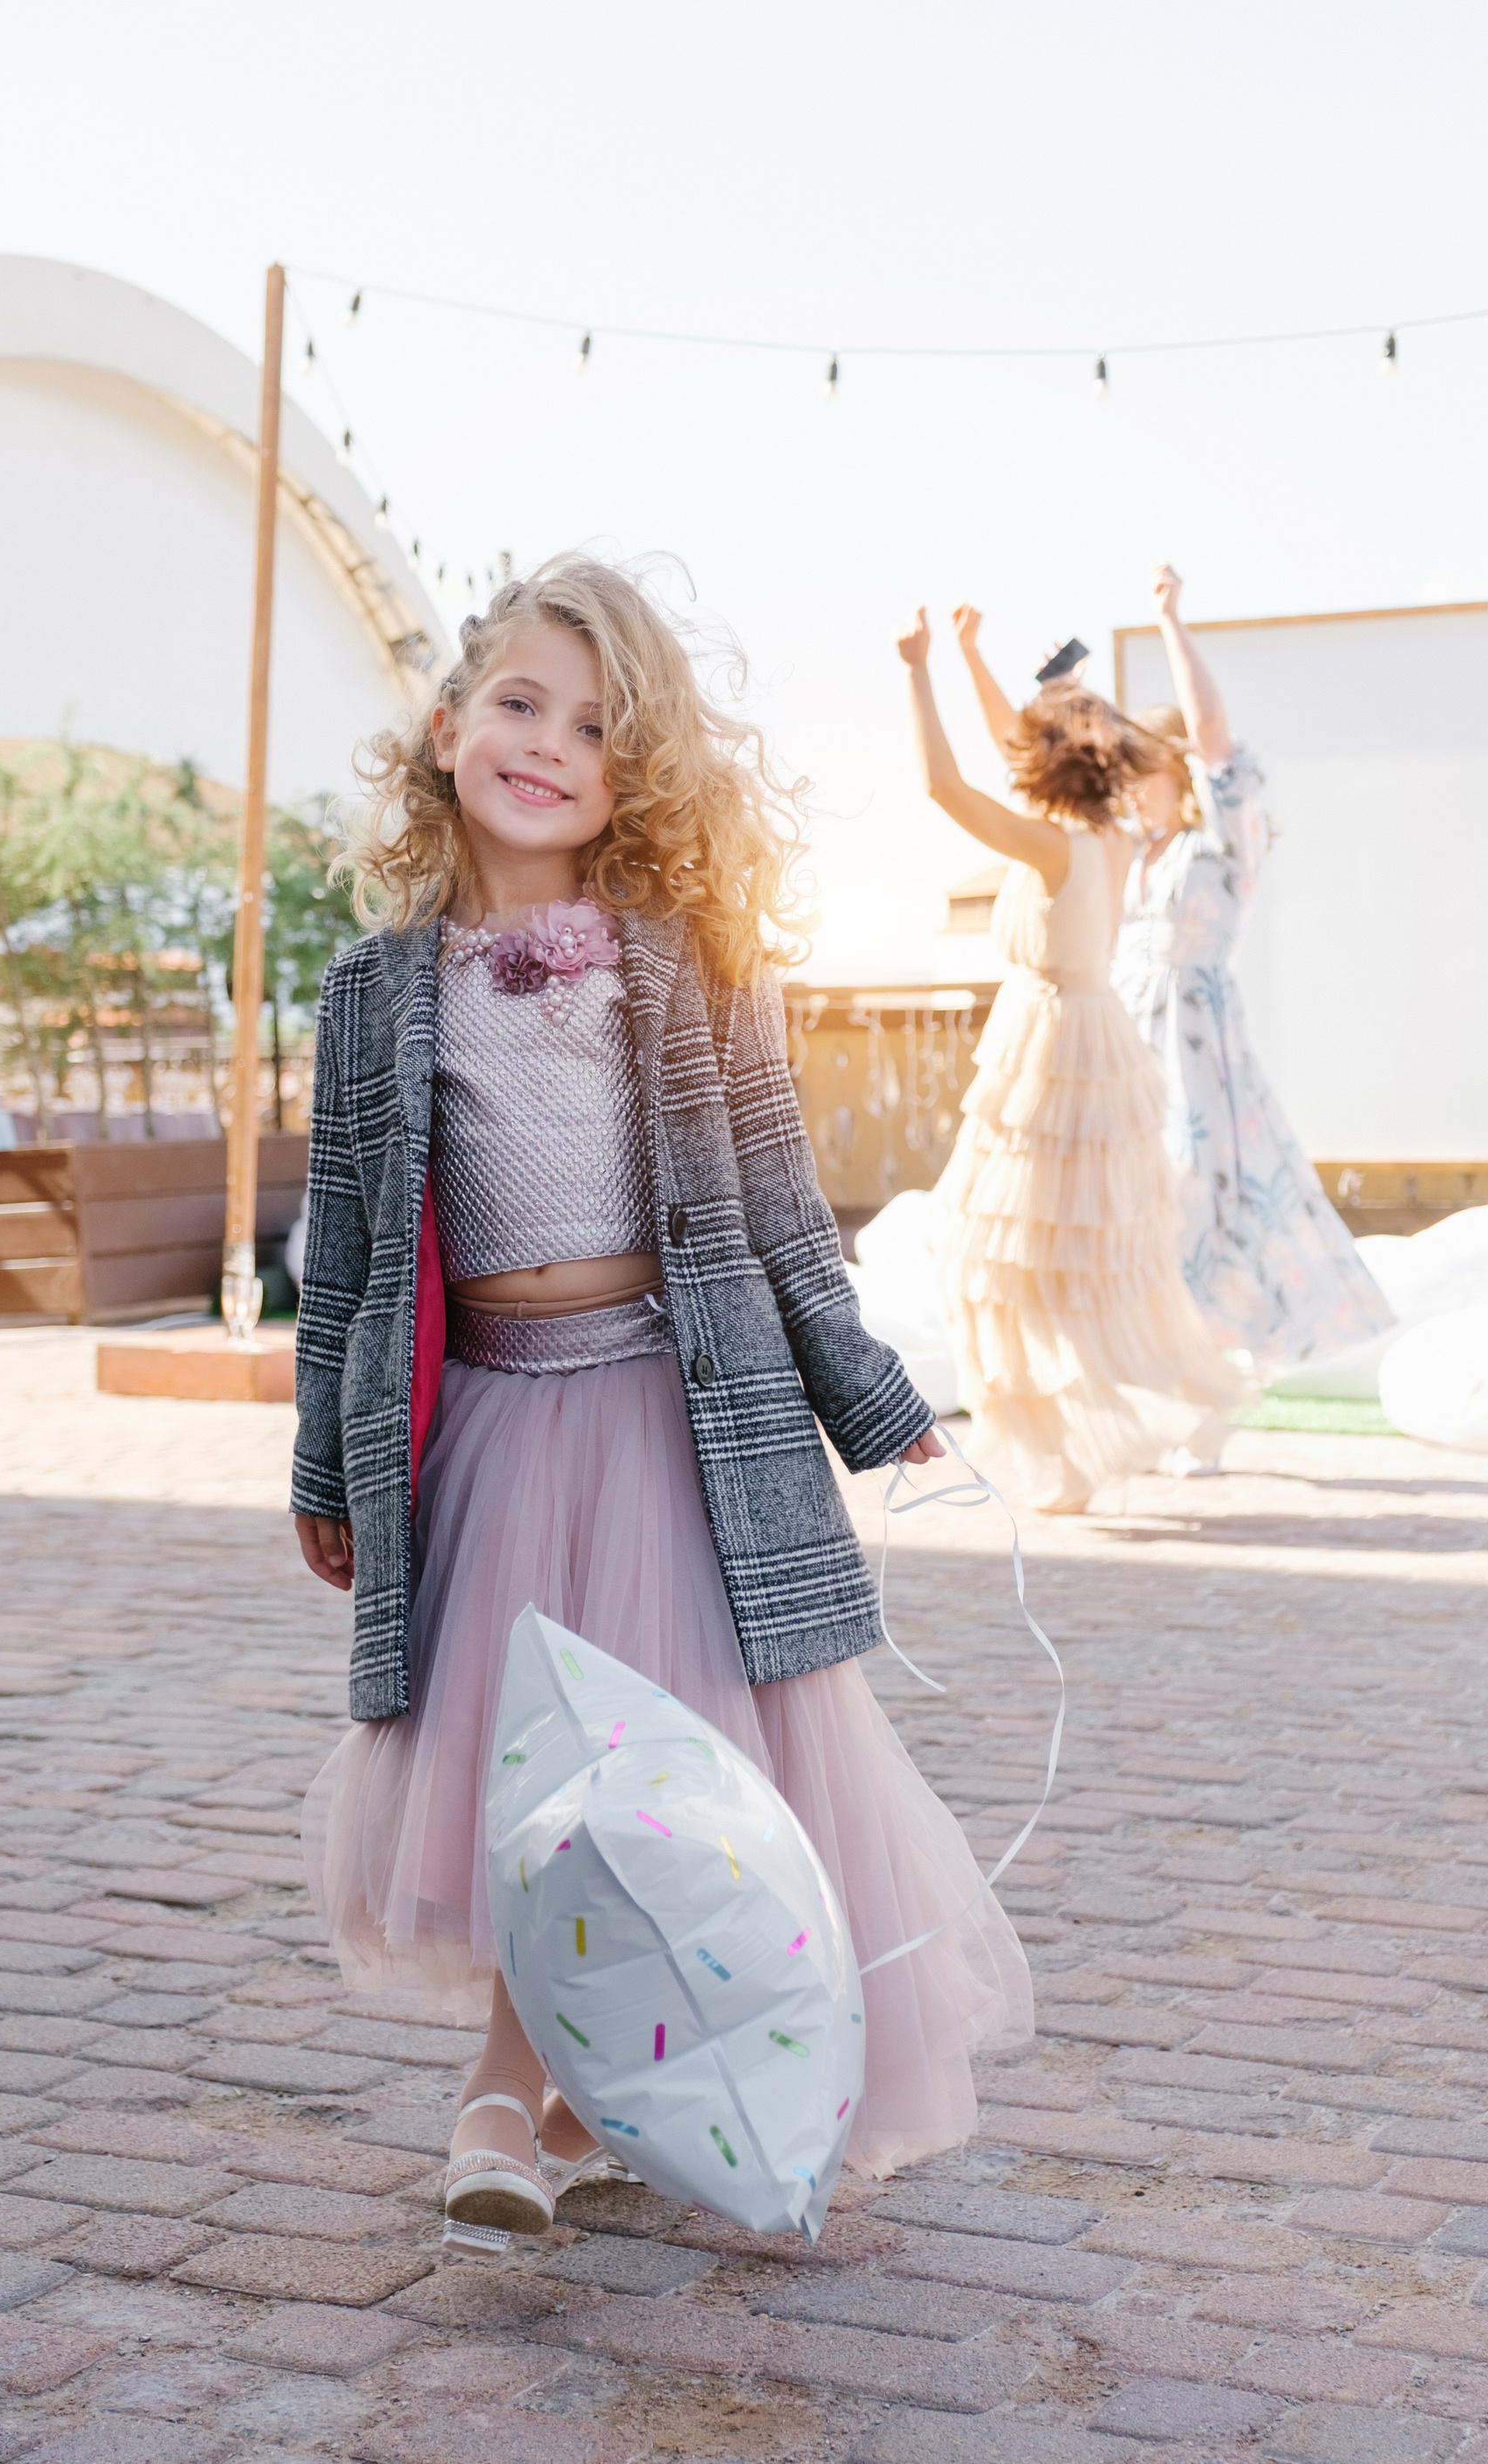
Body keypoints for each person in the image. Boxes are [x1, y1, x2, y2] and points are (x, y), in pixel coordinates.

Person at [292, 557, 1033, 2239]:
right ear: (447, 726)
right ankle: (542, 2087)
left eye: (595, 729)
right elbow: (346, 1255)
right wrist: (327, 1467)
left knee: (650, 1782)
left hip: (665, 1427)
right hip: (492, 1431)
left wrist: (870, 1397)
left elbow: (780, 1209)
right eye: (521, 704)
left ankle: (525, 2095)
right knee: (528, 1781)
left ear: (637, 779)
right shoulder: (374, 990)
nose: (548, 746)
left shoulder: (691, 964)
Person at [954, 576, 1393, 1376]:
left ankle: (1206, 1364)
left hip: (1196, 1051)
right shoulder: (1118, 842)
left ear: (1170, 767)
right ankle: (1139, 1359)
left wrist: (1169, 621)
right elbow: (1025, 755)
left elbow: (1215, 735)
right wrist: (998, 669)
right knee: (1113, 1207)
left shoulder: (1220, 845)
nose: (1125, 777)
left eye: (1140, 763)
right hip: (1116, 1036)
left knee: (1194, 1197)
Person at [899, 603, 1245, 1513]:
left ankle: (1070, 1456)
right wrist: (971, 655)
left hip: (1052, 1046)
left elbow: (944, 786)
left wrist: (918, 670)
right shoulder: (1105, 835)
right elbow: (1011, 744)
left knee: (1019, 1261)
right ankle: (1083, 1449)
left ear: (1045, 765)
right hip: (1089, 1035)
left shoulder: (1051, 844)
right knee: (1077, 1261)